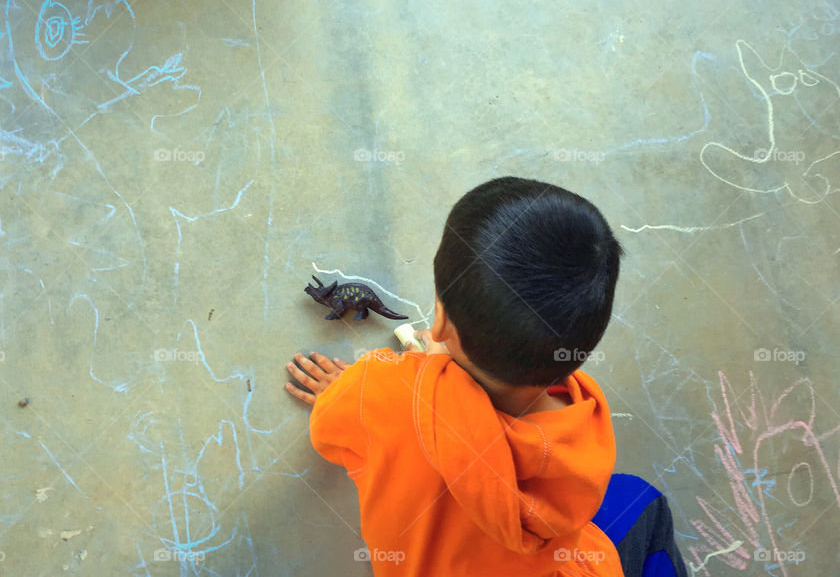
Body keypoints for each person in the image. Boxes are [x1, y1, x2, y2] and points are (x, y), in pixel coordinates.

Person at [285, 176, 687, 576]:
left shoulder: (381, 389)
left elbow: (329, 432)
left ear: (439, 323)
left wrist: (353, 389)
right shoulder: (585, 418)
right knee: (643, 501)